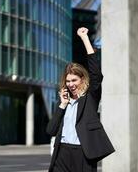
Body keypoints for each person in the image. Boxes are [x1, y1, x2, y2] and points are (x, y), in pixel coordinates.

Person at [46, 27, 115, 172]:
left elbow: (96, 73)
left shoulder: (90, 96)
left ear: (82, 79)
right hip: (62, 153)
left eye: (74, 80)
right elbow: (51, 130)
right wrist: (62, 105)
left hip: (83, 153)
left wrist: (85, 38)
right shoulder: (64, 100)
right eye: (68, 81)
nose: (70, 84)